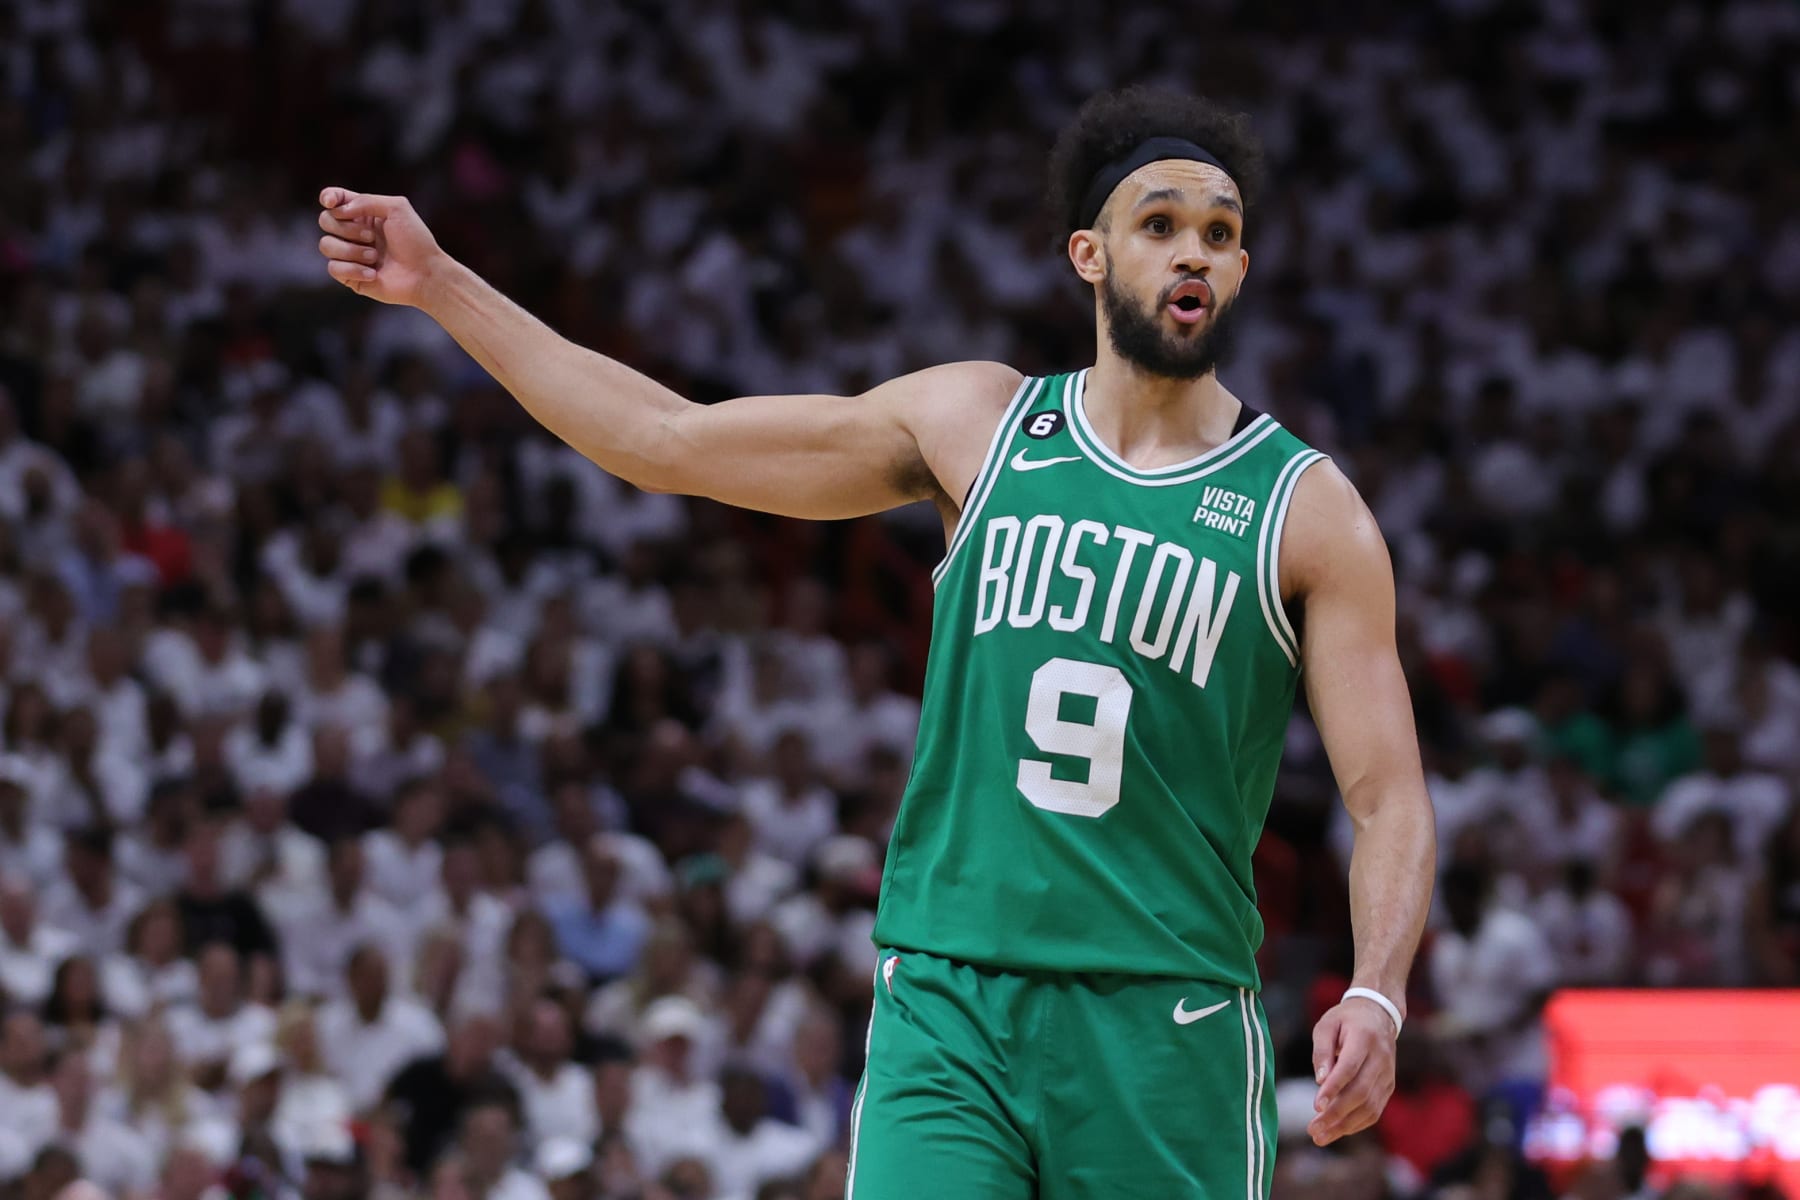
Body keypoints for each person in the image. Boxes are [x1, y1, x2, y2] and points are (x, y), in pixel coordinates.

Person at [317, 85, 1436, 1197]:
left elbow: (1386, 796)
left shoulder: (1307, 509)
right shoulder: (977, 426)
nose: (1192, 252)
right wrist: (442, 285)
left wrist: (1378, 994)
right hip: (951, 999)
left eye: (1220, 235)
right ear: (1089, 254)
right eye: (1160, 225)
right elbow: (664, 437)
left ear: (1239, 273)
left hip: (1167, 1014)